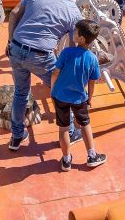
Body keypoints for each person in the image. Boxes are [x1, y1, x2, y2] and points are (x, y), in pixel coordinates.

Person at [6, 0, 87, 151]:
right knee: (63, 90)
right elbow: (75, 47)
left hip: (16, 48)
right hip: (41, 55)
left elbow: (13, 14)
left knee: (20, 93)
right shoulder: (74, 13)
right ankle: (71, 132)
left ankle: (16, 136)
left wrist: (11, 41)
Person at [50, 19, 107, 170]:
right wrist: (90, 98)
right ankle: (92, 155)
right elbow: (92, 81)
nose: (73, 33)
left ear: (81, 38)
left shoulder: (67, 52)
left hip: (60, 95)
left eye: (75, 32)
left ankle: (66, 160)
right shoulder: (92, 59)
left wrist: (52, 89)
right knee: (85, 124)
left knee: (63, 128)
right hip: (79, 98)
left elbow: (56, 72)